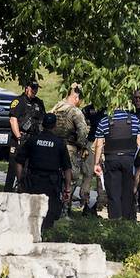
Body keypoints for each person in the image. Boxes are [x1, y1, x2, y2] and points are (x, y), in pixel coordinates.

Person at [15, 113, 72, 231]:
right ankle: (45, 235)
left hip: (33, 182)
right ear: (54, 126)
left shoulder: (33, 140)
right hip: (51, 184)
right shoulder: (59, 143)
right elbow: (67, 168)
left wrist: (20, 181)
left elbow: (19, 162)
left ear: (43, 124)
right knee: (49, 214)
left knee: (31, 212)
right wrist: (67, 189)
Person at [93, 106, 140, 220]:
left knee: (113, 193)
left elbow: (99, 144)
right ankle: (128, 221)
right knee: (128, 193)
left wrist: (96, 163)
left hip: (112, 159)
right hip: (129, 160)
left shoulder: (105, 120)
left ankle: (115, 221)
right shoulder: (135, 120)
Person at [50, 83, 89, 217]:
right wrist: (82, 146)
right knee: (71, 179)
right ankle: (65, 210)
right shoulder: (75, 111)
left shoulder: (56, 107)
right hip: (69, 148)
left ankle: (53, 206)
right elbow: (83, 131)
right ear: (77, 98)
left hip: (54, 147)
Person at [6, 79, 45, 192]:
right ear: (26, 87)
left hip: (33, 139)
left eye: (36, 88)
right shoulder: (18, 101)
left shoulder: (39, 103)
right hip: (19, 139)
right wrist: (19, 137)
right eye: (33, 88)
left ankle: (25, 189)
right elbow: (13, 120)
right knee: (13, 167)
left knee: (30, 168)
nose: (35, 91)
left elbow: (42, 121)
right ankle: (8, 191)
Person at [81, 104, 107, 215]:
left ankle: (101, 202)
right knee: (88, 173)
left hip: (104, 143)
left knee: (101, 175)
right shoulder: (88, 109)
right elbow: (82, 124)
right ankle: (85, 200)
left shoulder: (109, 108)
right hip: (91, 142)